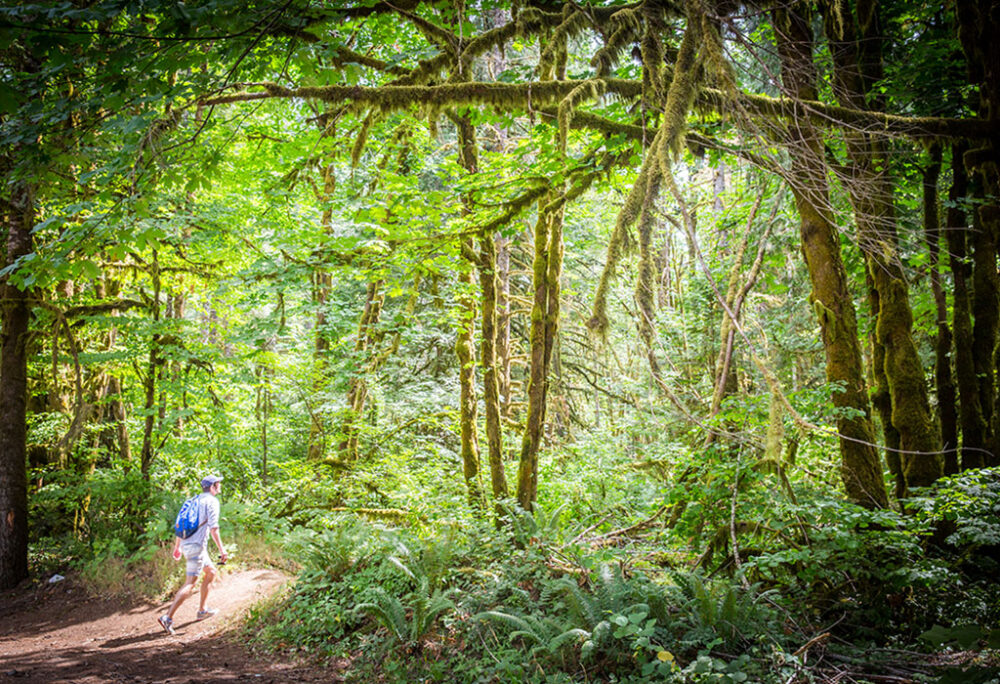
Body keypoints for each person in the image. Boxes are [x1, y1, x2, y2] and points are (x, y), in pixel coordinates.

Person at [158, 475, 229, 635]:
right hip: (196, 547)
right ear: (213, 487)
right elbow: (214, 528)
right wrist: (222, 550)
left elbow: (180, 526)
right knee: (190, 583)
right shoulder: (212, 501)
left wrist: (178, 547)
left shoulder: (192, 500)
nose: (220, 486)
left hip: (191, 546)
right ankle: (167, 618)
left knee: (211, 572)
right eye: (218, 484)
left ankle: (202, 610)